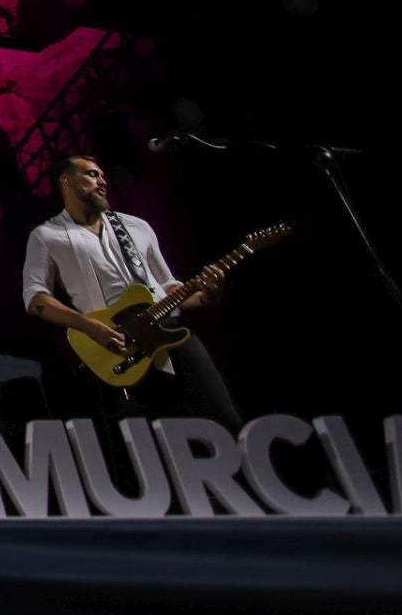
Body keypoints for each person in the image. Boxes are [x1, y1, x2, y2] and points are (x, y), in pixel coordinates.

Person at [21, 155, 239, 427]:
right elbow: (35, 297)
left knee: (223, 419)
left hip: (172, 334)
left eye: (101, 175)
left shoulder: (137, 226)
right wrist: (88, 326)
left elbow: (168, 286)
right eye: (91, 174)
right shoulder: (46, 236)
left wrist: (209, 295)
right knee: (155, 433)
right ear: (66, 181)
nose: (101, 180)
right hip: (119, 345)